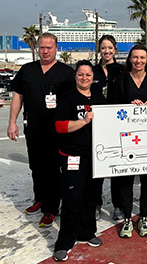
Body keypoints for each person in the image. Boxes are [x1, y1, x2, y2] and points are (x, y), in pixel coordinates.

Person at [7, 33, 75, 227]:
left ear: (56, 48)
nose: (45, 51)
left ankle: (51, 208)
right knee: (36, 166)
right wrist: (12, 122)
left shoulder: (66, 73)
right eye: (42, 47)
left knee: (53, 169)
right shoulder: (27, 70)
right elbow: (18, 96)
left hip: (57, 130)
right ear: (37, 48)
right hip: (34, 128)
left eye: (49, 47)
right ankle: (40, 198)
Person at [53, 60, 106, 262]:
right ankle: (64, 243)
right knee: (72, 199)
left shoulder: (100, 99)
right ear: (75, 76)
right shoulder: (67, 98)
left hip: (96, 156)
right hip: (73, 156)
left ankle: (87, 232)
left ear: (93, 78)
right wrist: (83, 121)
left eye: (88, 75)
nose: (84, 78)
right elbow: (59, 126)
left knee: (91, 197)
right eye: (81, 74)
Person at [111, 44, 147, 238]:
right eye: (135, 57)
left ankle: (143, 217)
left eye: (142, 57)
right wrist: (129, 107)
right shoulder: (121, 81)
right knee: (126, 178)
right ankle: (126, 218)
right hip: (127, 138)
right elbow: (113, 108)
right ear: (129, 59)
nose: (138, 61)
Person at [92, 35, 124, 221]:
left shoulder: (121, 70)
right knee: (98, 166)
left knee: (116, 167)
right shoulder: (93, 70)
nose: (107, 51)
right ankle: (96, 203)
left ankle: (118, 205)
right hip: (96, 123)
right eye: (103, 48)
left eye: (110, 47)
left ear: (115, 49)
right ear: (99, 50)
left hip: (117, 124)